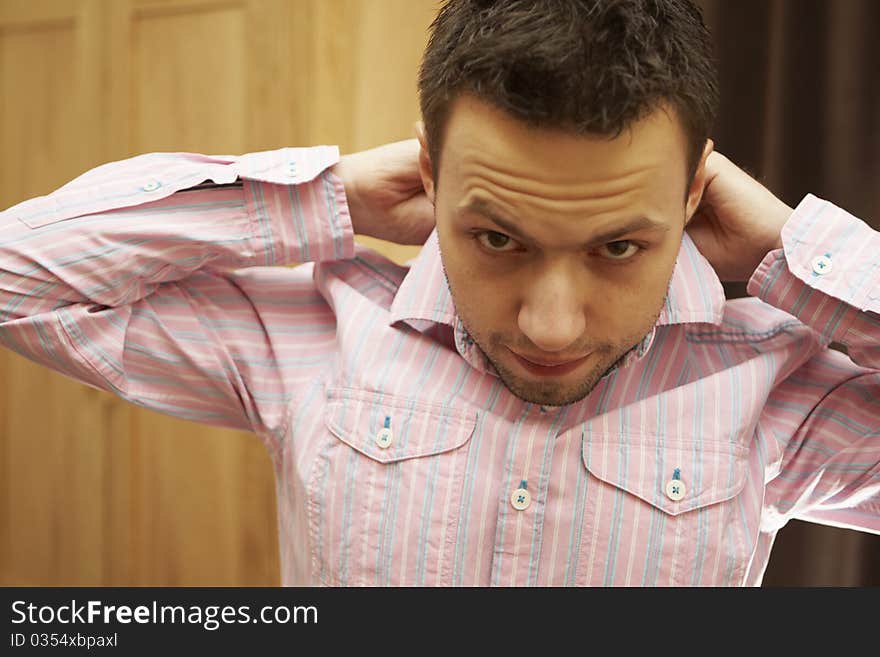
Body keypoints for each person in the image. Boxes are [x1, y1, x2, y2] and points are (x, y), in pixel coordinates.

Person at [0, 0, 877, 587]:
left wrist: (791, 251)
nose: (551, 323)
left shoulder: (773, 388)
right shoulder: (320, 330)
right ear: (428, 172)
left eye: (618, 245)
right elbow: (17, 281)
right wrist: (325, 195)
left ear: (692, 195)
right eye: (499, 237)